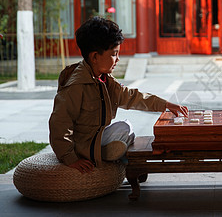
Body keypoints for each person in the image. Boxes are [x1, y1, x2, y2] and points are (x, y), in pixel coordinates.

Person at [49, 17, 188, 173]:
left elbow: (132, 97)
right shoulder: (75, 86)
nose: (118, 59)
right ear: (94, 57)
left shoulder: (104, 80)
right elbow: (59, 125)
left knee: (126, 126)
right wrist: (70, 159)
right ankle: (104, 154)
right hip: (82, 144)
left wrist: (166, 105)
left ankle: (110, 153)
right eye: (114, 54)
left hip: (97, 136)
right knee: (123, 132)